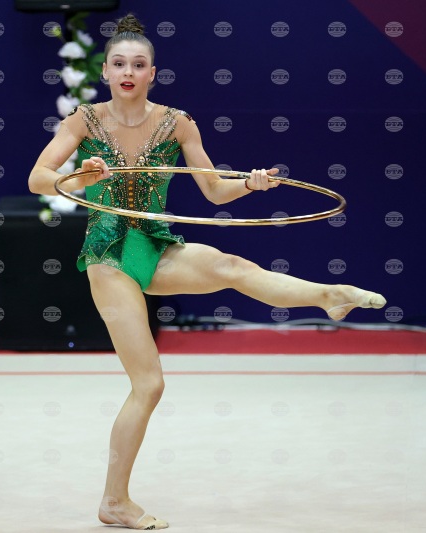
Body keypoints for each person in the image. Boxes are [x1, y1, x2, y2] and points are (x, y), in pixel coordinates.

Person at [29, 13, 386, 530]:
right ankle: (113, 501)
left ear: (153, 73)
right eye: (119, 64)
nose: (128, 72)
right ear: (105, 71)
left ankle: (327, 296)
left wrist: (251, 184)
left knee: (231, 265)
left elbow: (214, 190)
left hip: (155, 245)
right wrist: (81, 177)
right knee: (149, 384)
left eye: (139, 64)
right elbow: (40, 179)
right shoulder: (83, 120)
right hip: (108, 254)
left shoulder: (178, 123)